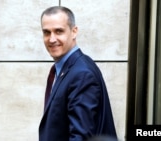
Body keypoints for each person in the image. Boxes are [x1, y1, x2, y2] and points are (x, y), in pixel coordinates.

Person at [38, 6, 117, 141]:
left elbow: (81, 137)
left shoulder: (81, 74)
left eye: (59, 31)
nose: (52, 39)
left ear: (74, 31)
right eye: (46, 32)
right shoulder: (70, 68)